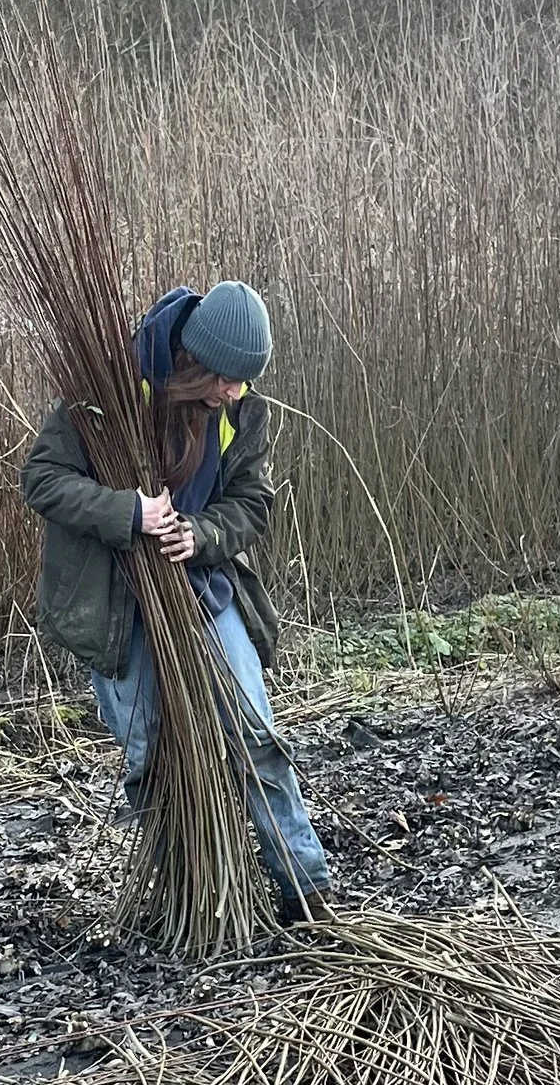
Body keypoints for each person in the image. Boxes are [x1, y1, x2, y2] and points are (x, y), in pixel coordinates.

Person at [20, 280, 331, 923]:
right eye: (226, 379)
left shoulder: (242, 413)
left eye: (245, 382)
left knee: (256, 734)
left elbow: (251, 503)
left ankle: (306, 888)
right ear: (195, 364)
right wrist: (129, 512)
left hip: (205, 586)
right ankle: (186, 899)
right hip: (116, 605)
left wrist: (202, 534)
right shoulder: (107, 391)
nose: (236, 393)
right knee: (150, 757)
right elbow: (42, 480)